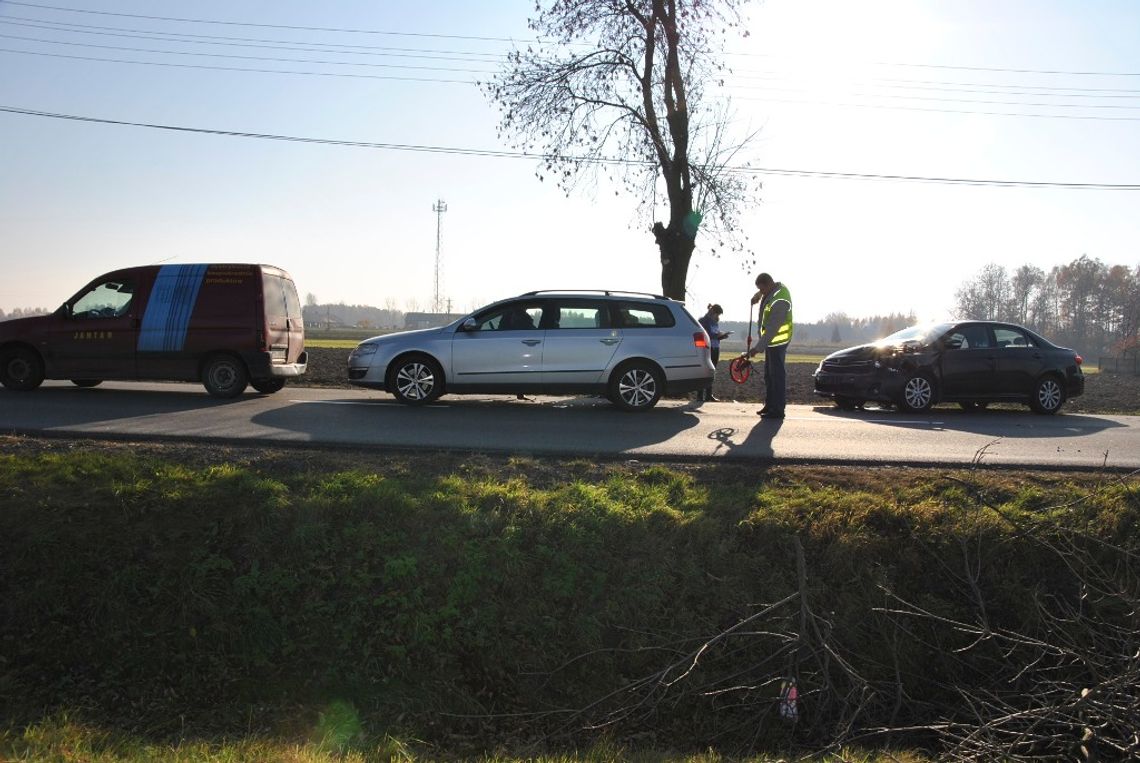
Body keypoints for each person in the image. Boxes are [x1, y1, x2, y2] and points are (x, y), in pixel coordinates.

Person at [746, 273, 793, 419]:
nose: (762, 292)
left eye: (762, 289)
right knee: (769, 375)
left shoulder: (780, 299)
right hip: (771, 343)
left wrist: (757, 348)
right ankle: (770, 404)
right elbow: (765, 291)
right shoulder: (773, 289)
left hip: (777, 341)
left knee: (777, 376)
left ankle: (778, 410)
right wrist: (758, 295)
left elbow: (773, 328)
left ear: (768, 284)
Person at [697, 303, 731, 402]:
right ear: (712, 312)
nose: (718, 317)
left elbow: (715, 335)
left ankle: (708, 395)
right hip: (707, 348)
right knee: (704, 370)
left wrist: (722, 336)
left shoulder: (715, 322)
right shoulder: (703, 321)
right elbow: (706, 335)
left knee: (712, 371)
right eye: (717, 314)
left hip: (716, 347)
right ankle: (700, 395)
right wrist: (717, 335)